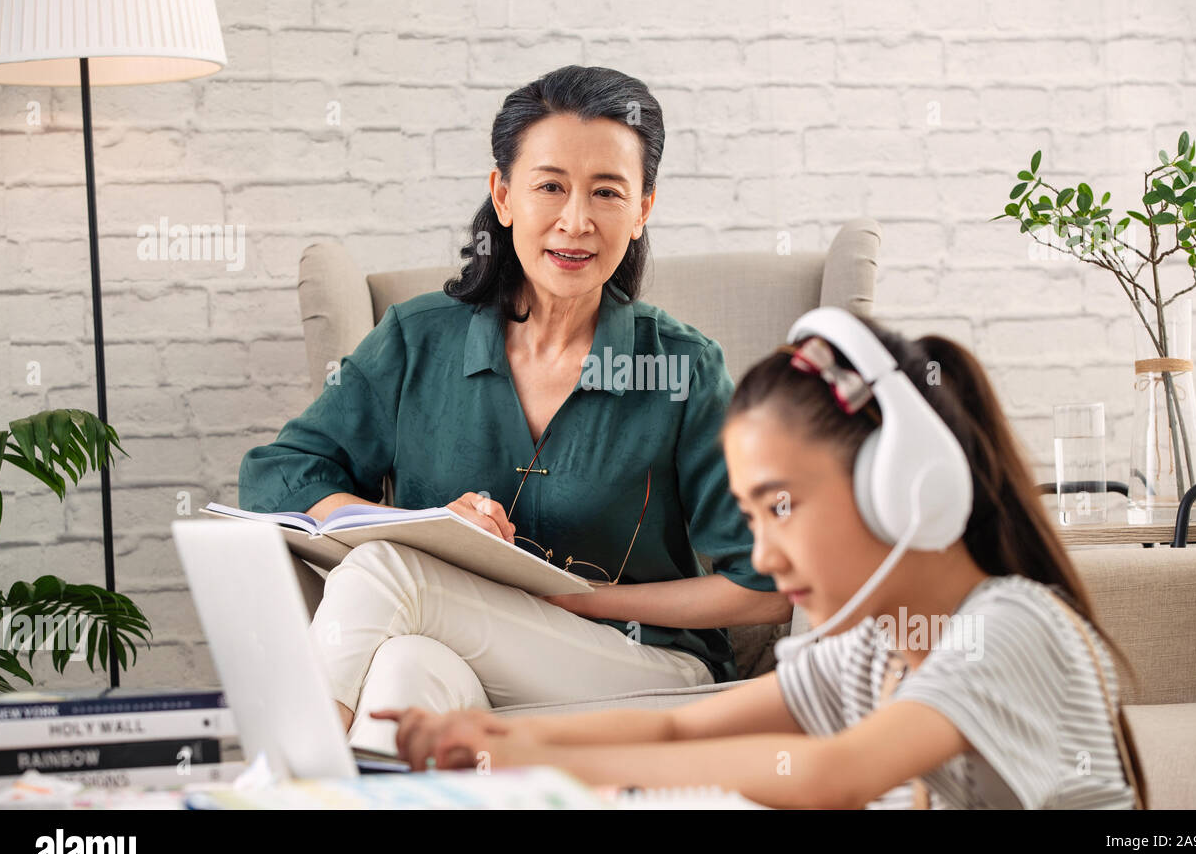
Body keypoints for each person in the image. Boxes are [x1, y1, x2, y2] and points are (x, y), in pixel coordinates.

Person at [372, 311, 1146, 809]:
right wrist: (511, 745)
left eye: (780, 505)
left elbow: (830, 774)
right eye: (748, 517)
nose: (764, 557)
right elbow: (680, 733)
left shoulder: (1009, 627)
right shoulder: (870, 654)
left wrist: (556, 767)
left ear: (900, 489)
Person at [237, 65, 787, 753]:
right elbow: (278, 477)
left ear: (644, 206)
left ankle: (279, 790)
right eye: (550, 186)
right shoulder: (417, 338)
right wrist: (422, 525)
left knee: (384, 573)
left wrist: (586, 600)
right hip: (463, 651)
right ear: (503, 196)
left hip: (643, 667)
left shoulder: (682, 369)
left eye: (607, 192)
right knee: (404, 672)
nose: (576, 220)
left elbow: (765, 587)